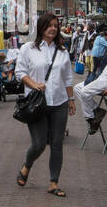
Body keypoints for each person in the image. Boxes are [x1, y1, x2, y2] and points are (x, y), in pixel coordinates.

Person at [14, 12, 76, 197]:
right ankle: (27, 165)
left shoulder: (63, 52)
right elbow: (19, 72)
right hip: (37, 103)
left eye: (55, 26)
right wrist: (34, 85)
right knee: (39, 144)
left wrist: (71, 100)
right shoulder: (27, 49)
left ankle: (53, 183)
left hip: (59, 103)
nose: (53, 28)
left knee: (57, 144)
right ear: (41, 28)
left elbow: (68, 78)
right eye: (49, 25)